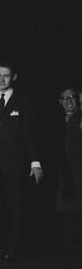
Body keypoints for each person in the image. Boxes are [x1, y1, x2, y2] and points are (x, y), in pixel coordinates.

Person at [0, 58, 43, 263]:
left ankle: (15, 250)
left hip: (15, 163)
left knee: (16, 206)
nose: (2, 80)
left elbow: (30, 134)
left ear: (14, 77)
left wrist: (35, 162)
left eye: (6, 75)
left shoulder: (24, 101)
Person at [56, 86, 82, 249]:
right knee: (65, 202)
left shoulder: (80, 118)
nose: (69, 101)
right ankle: (68, 239)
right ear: (60, 102)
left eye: (72, 97)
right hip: (63, 169)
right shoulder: (57, 121)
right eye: (65, 98)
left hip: (78, 167)